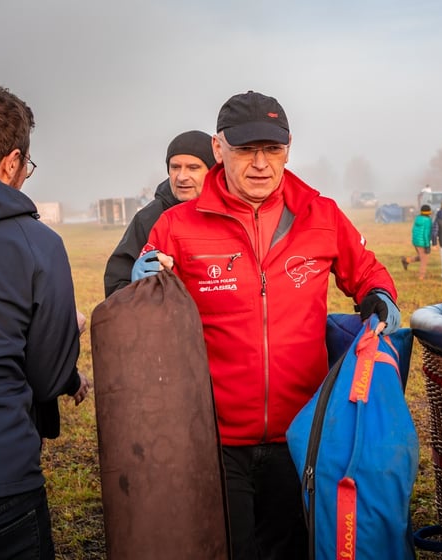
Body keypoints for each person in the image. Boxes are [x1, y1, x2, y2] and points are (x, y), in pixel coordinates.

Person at [133, 90, 400, 559]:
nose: (260, 164)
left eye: (272, 150)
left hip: (302, 436)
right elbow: (146, 319)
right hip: (215, 439)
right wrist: (143, 286)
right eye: (245, 150)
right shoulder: (176, 225)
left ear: (289, 147)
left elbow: (369, 274)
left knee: (293, 549)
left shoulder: (322, 215)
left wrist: (379, 296)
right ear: (219, 149)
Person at [0, 80, 90, 559]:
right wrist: (67, 335)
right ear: (10, 163)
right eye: (25, 165)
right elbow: (47, 378)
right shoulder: (36, 244)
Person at [103, 130, 215, 297]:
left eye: (193, 168)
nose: (182, 176)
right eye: (175, 167)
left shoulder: (230, 214)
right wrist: (135, 287)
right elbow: (116, 284)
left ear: (212, 171)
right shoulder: (149, 218)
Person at [401, 204, 432, 279]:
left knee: (421, 257)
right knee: (424, 260)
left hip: (415, 241)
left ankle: (406, 260)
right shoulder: (428, 220)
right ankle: (421, 276)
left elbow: (413, 230)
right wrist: (427, 245)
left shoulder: (417, 218)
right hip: (423, 242)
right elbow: (426, 234)